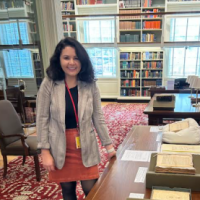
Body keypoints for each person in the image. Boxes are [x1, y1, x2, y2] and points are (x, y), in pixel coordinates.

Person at [36, 37, 116, 200]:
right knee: (67, 190)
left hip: (85, 144)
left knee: (92, 191)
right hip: (60, 146)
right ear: (59, 60)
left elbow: (98, 117)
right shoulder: (49, 83)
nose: (71, 62)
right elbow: (42, 118)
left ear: (82, 60)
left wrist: (108, 145)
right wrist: (45, 151)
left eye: (76, 58)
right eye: (66, 58)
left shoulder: (90, 84)